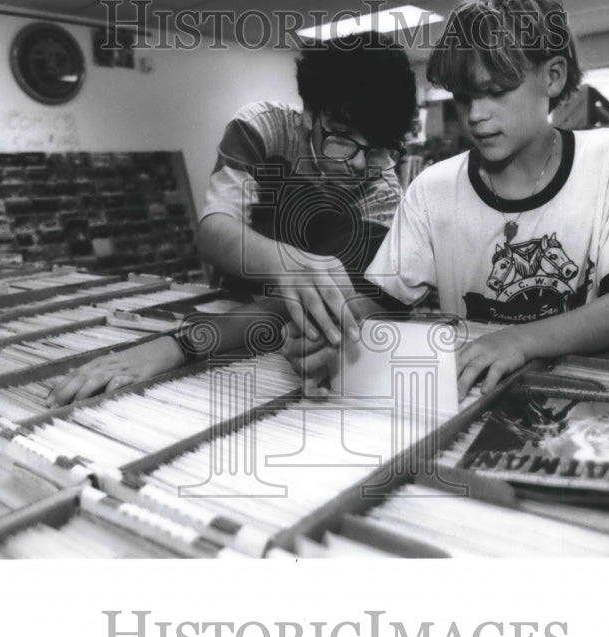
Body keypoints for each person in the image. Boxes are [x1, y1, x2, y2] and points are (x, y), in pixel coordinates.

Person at [285, 0, 609, 401]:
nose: (476, 116)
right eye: (464, 97)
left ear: (554, 77)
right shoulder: (433, 189)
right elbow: (381, 302)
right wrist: (332, 326)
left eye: (496, 91)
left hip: (581, 400)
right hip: (473, 403)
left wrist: (517, 340)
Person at [49, 31, 417, 406]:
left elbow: (317, 303)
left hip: (274, 339)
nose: (359, 164)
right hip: (224, 307)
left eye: (380, 147)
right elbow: (213, 231)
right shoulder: (263, 128)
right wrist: (286, 263)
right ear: (309, 114)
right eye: (342, 137)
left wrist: (178, 345)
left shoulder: (384, 190)